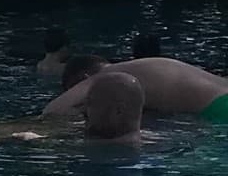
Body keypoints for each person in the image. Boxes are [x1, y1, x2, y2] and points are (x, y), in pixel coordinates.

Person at [45, 54, 228, 120]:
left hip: (220, 109)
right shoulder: (144, 67)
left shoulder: (105, 78)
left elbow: (52, 111)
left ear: (84, 78)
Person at [82, 71, 146, 143]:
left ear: (118, 110)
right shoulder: (148, 139)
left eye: (90, 103)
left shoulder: (104, 148)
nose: (84, 110)